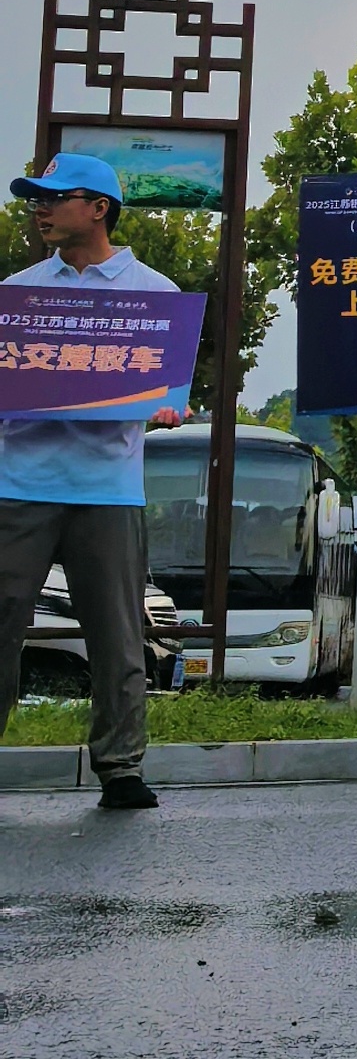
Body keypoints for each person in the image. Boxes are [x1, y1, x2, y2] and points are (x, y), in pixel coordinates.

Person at [0, 153, 187, 811]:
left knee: (116, 634)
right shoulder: (18, 293)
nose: (40, 209)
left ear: (99, 208)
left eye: (55, 197)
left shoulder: (155, 295)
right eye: (36, 198)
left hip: (107, 489)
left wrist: (166, 406)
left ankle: (120, 766)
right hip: (18, 484)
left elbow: (167, 389)